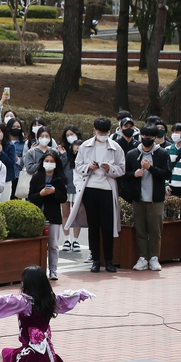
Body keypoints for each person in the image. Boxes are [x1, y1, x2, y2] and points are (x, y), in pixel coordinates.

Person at [67, 117, 125, 273]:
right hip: (90, 188)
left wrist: (109, 168)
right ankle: (96, 260)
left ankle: (109, 260)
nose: (102, 135)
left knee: (108, 226)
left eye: (105, 132)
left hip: (107, 188)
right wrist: (89, 167)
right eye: (100, 132)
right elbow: (78, 166)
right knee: (93, 226)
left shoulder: (115, 147)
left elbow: (122, 168)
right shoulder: (85, 146)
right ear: (94, 130)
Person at [120, 124, 171, 271]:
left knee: (155, 230)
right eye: (143, 136)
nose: (146, 139)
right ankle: (143, 257)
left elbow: (166, 173)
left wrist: (151, 169)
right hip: (138, 198)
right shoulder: (132, 154)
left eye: (149, 137)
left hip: (155, 199)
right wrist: (134, 174)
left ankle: (154, 257)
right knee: (140, 229)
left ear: (155, 137)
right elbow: (124, 174)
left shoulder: (162, 153)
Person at [28, 153, 68, 280]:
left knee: (53, 244)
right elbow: (31, 197)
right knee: (38, 245)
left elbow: (63, 198)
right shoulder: (36, 177)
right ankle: (38, 272)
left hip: (53, 216)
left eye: (52, 161)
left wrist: (55, 192)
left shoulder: (60, 178)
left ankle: (53, 270)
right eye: (47, 160)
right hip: (39, 214)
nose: (49, 163)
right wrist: (41, 194)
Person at [59, 125, 84, 251]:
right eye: (68, 135)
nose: (70, 137)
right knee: (66, 213)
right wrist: (63, 155)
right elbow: (60, 167)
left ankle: (76, 240)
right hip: (65, 185)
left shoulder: (83, 148)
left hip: (78, 185)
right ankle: (67, 239)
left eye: (72, 134)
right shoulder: (63, 150)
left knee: (77, 213)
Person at [0, 122, 16, 203]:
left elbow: (10, 162)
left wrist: (2, 152)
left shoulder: (10, 146)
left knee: (3, 202)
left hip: (6, 179)